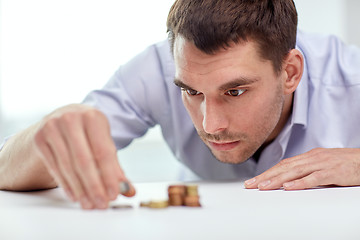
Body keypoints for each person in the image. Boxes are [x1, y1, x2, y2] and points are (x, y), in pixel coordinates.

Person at [1, 0, 360, 210]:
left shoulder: (351, 78)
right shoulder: (158, 69)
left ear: (291, 72)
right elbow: (3, 167)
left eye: (234, 92)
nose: (211, 124)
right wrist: (43, 140)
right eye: (191, 92)